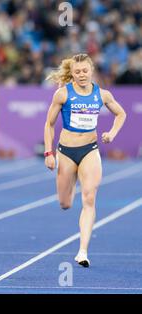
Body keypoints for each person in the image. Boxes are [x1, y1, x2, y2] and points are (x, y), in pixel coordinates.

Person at [44, 53, 126, 267]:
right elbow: (49, 124)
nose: (81, 75)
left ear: (91, 71)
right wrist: (48, 153)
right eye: (77, 72)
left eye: (85, 71)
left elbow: (121, 114)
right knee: (65, 203)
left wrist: (112, 133)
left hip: (90, 149)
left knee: (89, 199)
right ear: (72, 73)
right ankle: (67, 192)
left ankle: (82, 251)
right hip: (66, 151)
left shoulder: (102, 94)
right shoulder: (62, 95)